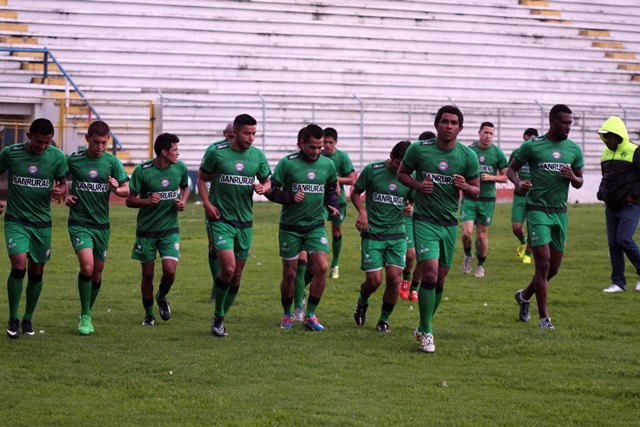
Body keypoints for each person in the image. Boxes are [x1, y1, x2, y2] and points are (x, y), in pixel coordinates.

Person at [397, 105, 480, 353]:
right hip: (424, 221)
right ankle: (428, 333)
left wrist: (465, 186)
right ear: (436, 124)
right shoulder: (419, 150)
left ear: (460, 128)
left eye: (454, 122)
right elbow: (402, 174)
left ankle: (423, 326)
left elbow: (477, 192)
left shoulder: (467, 156)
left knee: (440, 279)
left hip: (449, 224)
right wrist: (418, 186)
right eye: (444, 121)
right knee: (430, 274)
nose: (448, 126)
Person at [508, 104, 583, 330]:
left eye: (570, 123)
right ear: (552, 122)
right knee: (543, 264)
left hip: (560, 213)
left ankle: (524, 295)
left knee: (553, 269)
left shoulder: (573, 149)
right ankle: (544, 318)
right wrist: (519, 183)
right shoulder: (533, 146)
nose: (568, 127)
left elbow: (580, 182)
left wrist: (572, 177)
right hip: (537, 210)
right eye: (564, 122)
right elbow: (511, 169)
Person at [197, 114, 271, 336]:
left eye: (254, 134)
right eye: (247, 133)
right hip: (221, 219)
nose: (251, 138)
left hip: (245, 222)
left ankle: (220, 317)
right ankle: (218, 314)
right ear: (236, 132)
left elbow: (268, 180)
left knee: (237, 274)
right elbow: (202, 178)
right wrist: (207, 205)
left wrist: (264, 188)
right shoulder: (217, 153)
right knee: (227, 268)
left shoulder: (257, 156)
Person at [266, 123, 339, 331]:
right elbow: (271, 191)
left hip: (315, 225)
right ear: (301, 144)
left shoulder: (327, 165)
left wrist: (331, 203)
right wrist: (289, 197)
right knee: (290, 273)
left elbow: (331, 188)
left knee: (322, 267)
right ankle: (288, 314)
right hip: (290, 226)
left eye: (320, 147)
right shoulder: (287, 164)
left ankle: (310, 315)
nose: (317, 151)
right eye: (312, 147)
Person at [0, 118, 68, 338]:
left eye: (47, 142)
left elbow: (62, 184)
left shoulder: (56, 157)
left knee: (37, 272)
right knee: (19, 267)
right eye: (39, 142)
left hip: (42, 223)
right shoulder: (11, 152)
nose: (43, 147)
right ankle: (13, 317)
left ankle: (28, 318)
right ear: (28, 136)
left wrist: (60, 191)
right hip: (16, 220)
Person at [65, 121, 130, 335]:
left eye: (104, 142)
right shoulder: (74, 160)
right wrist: (65, 194)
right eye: (96, 142)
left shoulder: (112, 162)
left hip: (102, 225)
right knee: (87, 267)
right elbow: (57, 178)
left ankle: (87, 311)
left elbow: (127, 189)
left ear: (108, 140)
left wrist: (116, 189)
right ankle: (85, 314)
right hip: (79, 222)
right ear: (87, 138)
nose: (100, 147)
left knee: (98, 273)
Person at [126, 133, 190, 326]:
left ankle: (161, 297)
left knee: (170, 271)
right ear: (164, 152)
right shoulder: (143, 171)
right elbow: (129, 200)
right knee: (148, 274)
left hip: (170, 230)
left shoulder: (180, 168)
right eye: (175, 150)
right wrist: (146, 201)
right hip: (146, 231)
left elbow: (185, 188)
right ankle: (149, 314)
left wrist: (182, 201)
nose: (178, 154)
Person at [351, 140, 413, 332]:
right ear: (391, 157)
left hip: (397, 234)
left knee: (394, 279)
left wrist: (410, 207)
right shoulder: (373, 170)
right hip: (373, 234)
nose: (399, 168)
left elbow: (412, 199)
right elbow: (355, 193)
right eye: (397, 163)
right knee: (374, 281)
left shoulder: (410, 176)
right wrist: (362, 212)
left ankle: (383, 320)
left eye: (404, 165)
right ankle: (363, 301)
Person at [596, 116, 640, 293]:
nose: (606, 140)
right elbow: (605, 177)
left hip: (631, 205)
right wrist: (601, 193)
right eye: (604, 136)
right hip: (611, 206)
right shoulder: (605, 153)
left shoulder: (635, 151)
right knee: (614, 244)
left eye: (610, 136)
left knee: (624, 239)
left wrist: (635, 196)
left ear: (619, 136)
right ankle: (618, 283)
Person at [460, 122, 508, 278]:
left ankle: (481, 265)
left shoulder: (497, 153)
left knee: (481, 236)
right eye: (485, 132)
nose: (488, 136)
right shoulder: (470, 151)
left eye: (491, 133)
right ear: (479, 132)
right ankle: (468, 255)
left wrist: (492, 177)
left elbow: (506, 176)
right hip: (470, 197)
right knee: (466, 233)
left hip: (487, 200)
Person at [400, 131, 434, 301]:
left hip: (430, 218)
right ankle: (405, 281)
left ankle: (415, 287)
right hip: (410, 218)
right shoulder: (411, 172)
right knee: (411, 255)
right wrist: (409, 207)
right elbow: (407, 198)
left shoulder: (438, 170)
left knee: (425, 257)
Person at [322, 127, 356, 279]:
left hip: (338, 200)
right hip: (320, 200)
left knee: (336, 231)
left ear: (336, 142)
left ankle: (335, 264)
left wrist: (336, 180)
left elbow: (352, 179)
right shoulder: (318, 155)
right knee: (319, 229)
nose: (327, 145)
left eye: (330, 142)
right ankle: (320, 261)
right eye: (325, 142)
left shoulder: (342, 157)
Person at [206, 121, 234, 300]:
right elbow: (204, 175)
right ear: (225, 134)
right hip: (215, 205)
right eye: (230, 136)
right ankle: (216, 283)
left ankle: (227, 282)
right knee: (213, 247)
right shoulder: (214, 150)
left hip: (237, 209)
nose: (232, 139)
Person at [510, 128, 538, 265]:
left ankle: (528, 253)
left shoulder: (539, 154)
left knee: (533, 227)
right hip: (519, 195)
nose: (530, 142)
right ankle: (523, 241)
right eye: (528, 139)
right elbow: (511, 171)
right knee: (516, 227)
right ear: (524, 138)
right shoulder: (517, 153)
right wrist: (518, 182)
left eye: (533, 139)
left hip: (535, 197)